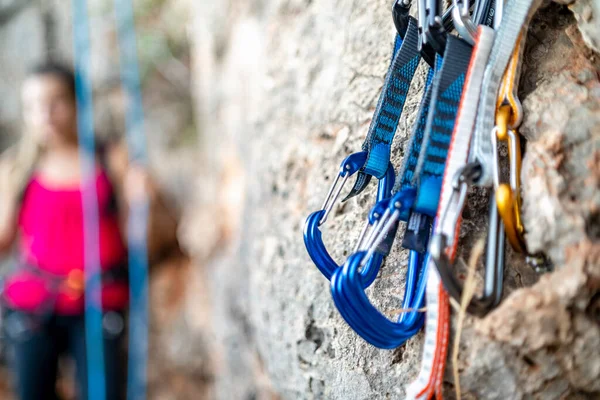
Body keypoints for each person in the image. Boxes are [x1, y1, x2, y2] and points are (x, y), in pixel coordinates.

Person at [0, 62, 178, 400]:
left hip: (99, 301)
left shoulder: (111, 160)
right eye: (34, 106)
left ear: (77, 103)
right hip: (34, 304)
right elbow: (3, 242)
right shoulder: (16, 169)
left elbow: (138, 244)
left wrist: (144, 204)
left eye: (55, 102)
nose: (45, 115)